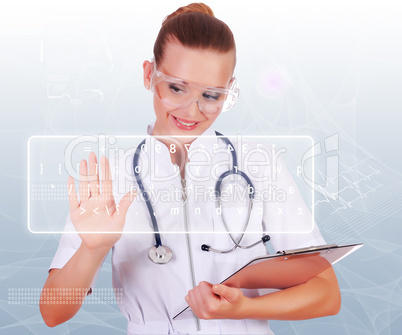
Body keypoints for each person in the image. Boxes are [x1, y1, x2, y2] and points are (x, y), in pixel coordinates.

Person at [40, 3, 341, 334]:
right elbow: (54, 313)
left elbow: (326, 293)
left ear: (229, 91)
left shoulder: (261, 164)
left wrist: (245, 307)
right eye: (176, 88)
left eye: (211, 95)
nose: (192, 110)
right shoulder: (110, 178)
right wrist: (92, 248)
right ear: (148, 75)